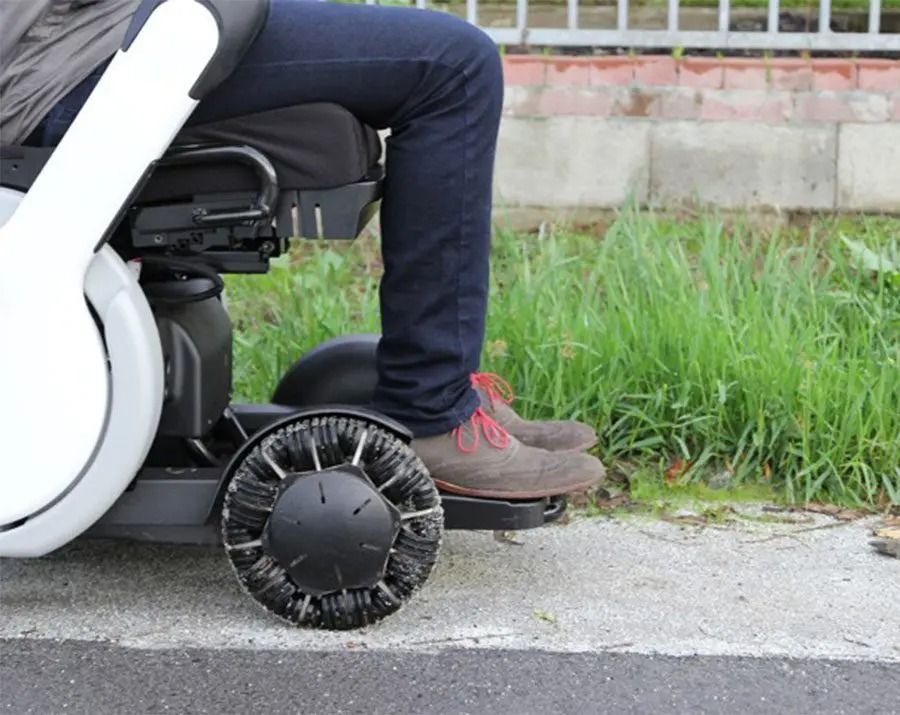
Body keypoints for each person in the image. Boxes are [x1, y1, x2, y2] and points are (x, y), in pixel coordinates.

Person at [0, 0, 606, 498]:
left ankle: (443, 390)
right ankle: (433, 411)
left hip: (109, 31)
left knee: (450, 56)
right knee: (456, 65)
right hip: (71, 58)